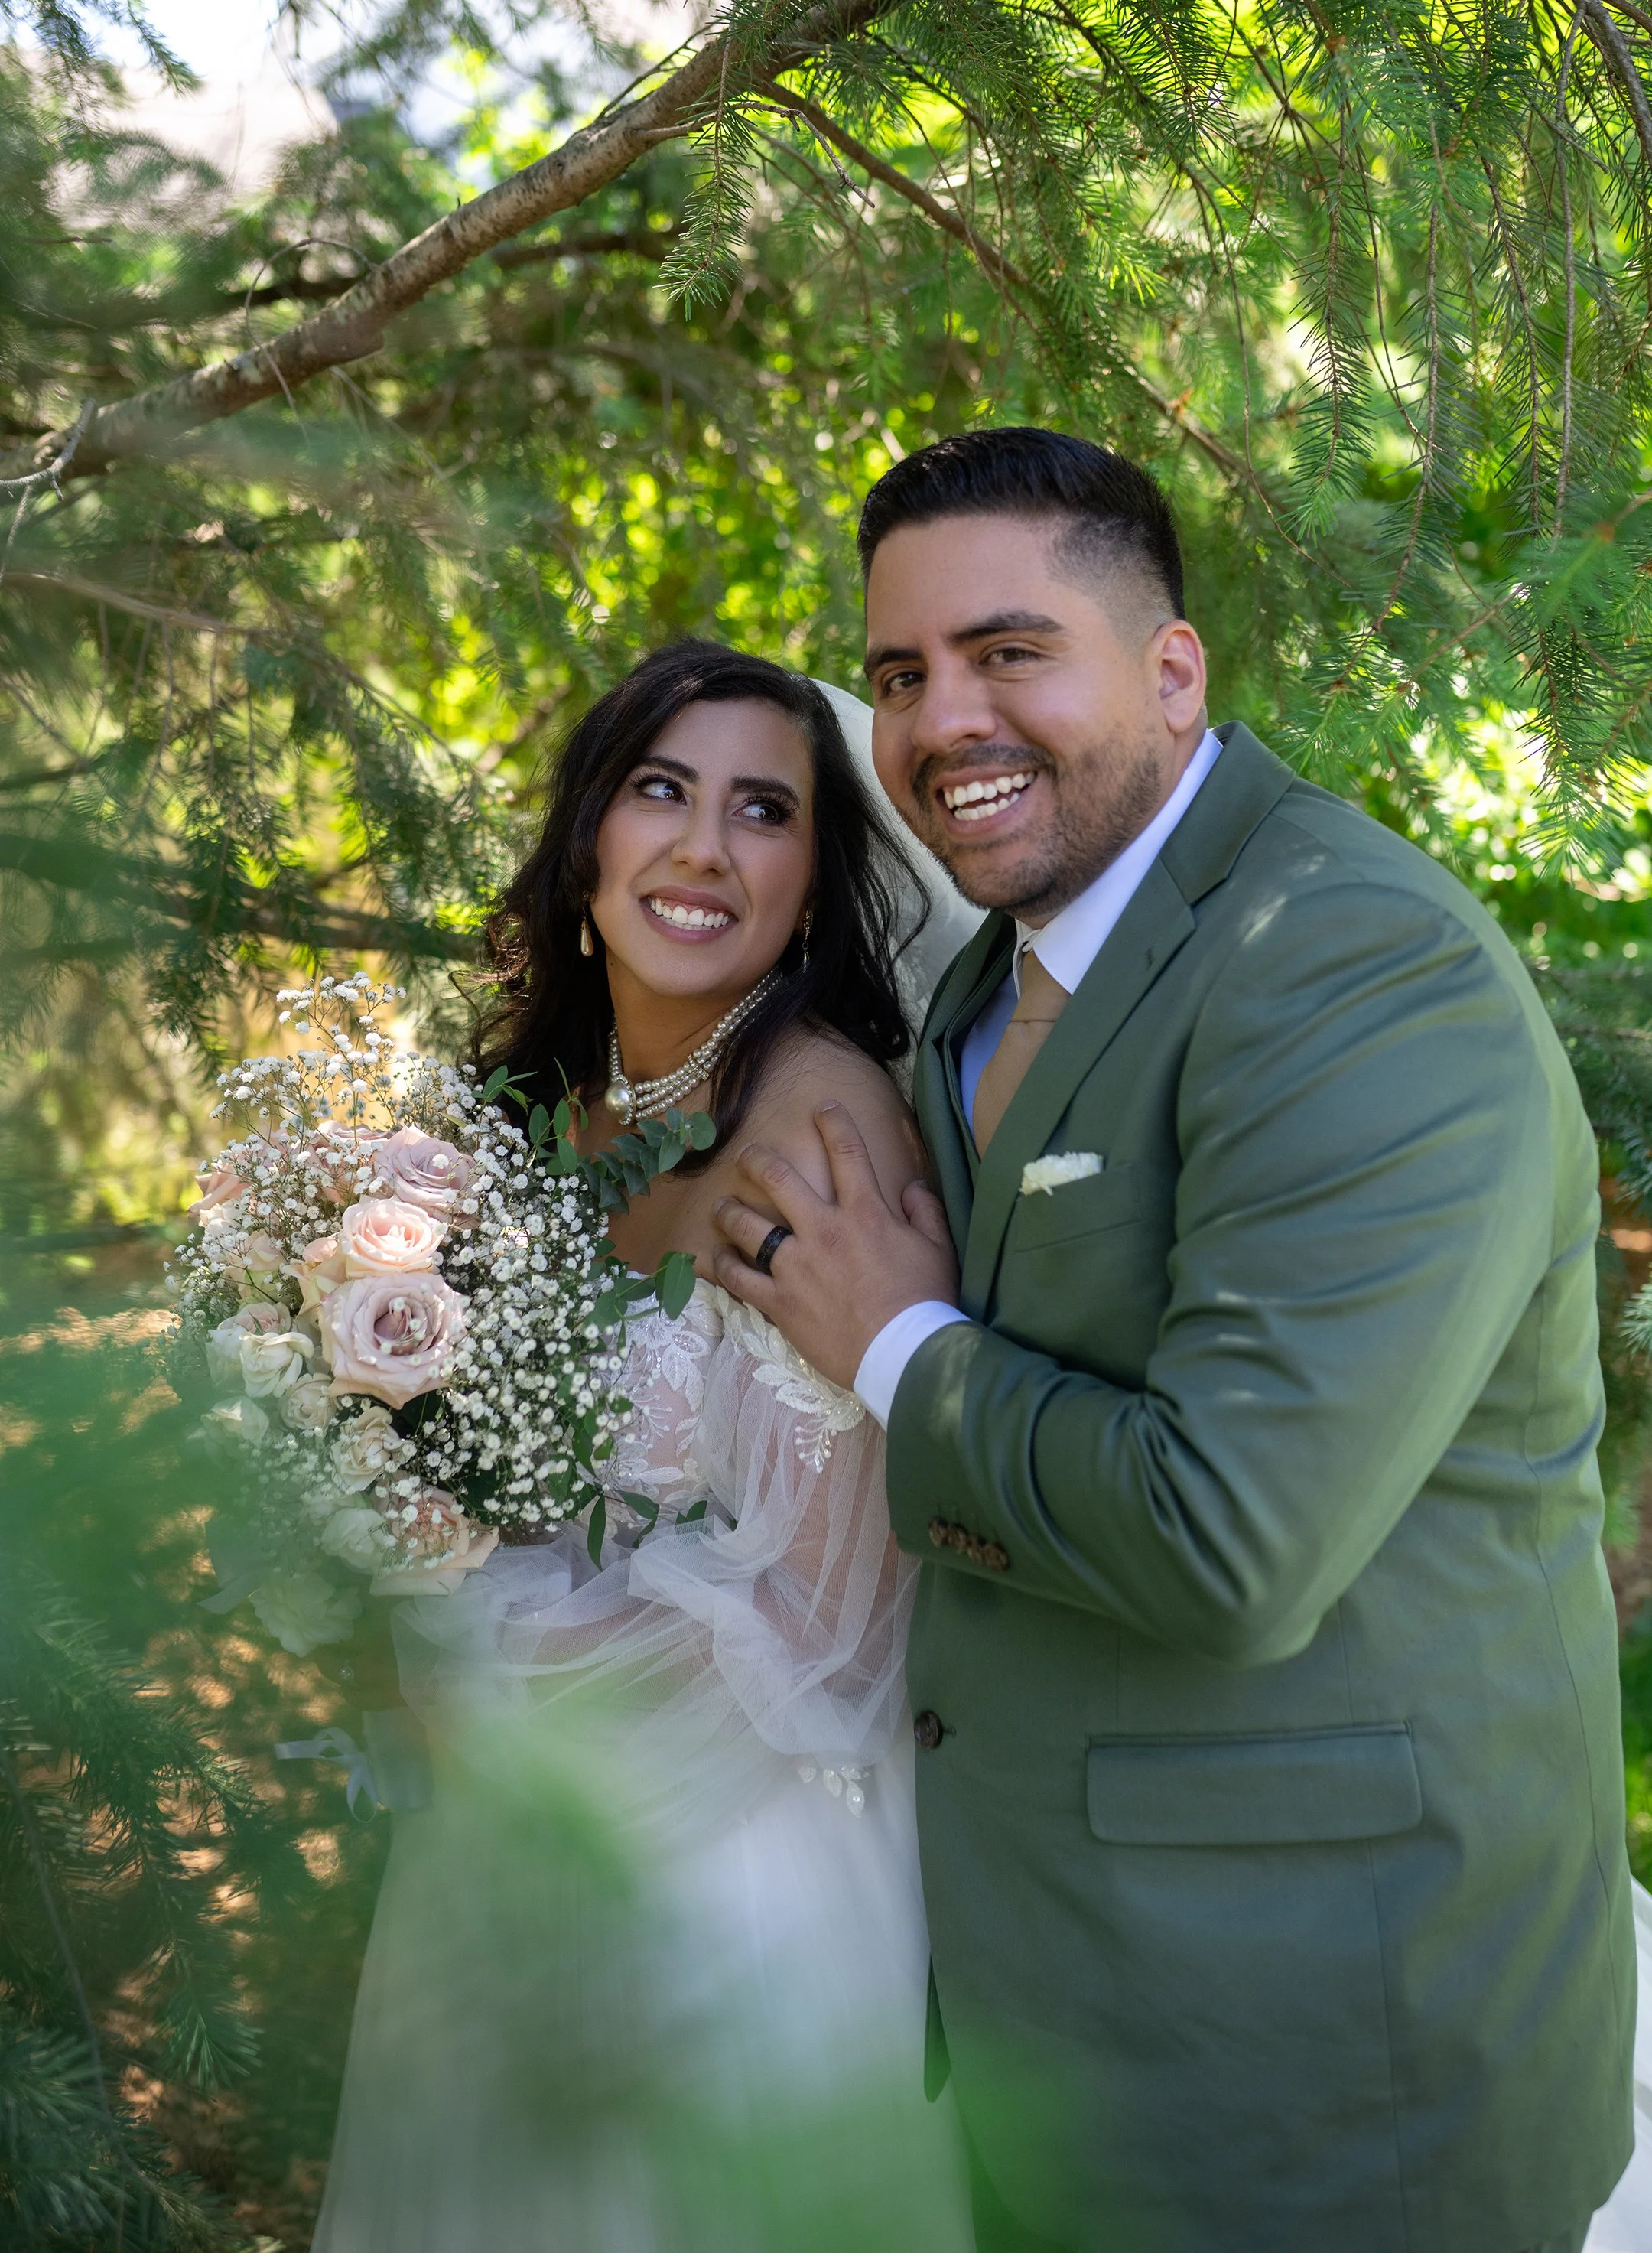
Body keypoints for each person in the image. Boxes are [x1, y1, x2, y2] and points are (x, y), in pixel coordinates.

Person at [710, 428, 1641, 2253]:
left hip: (1329, 2042)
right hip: (1055, 2011)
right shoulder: (991, 979)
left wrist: (894, 1346)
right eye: (901, 676)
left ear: (1173, 666)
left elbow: (1232, 1538)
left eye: (1009, 652)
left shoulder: (1352, 963)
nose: (939, 720)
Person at [310, 641, 974, 2252]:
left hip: (731, 1879)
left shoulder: (824, 1129)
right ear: (589, 836)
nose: (701, 847)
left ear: (814, 879)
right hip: (501, 1845)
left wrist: (475, 1678)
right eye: (661, 791)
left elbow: (835, 1612)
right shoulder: (516, 1112)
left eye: (764, 811)